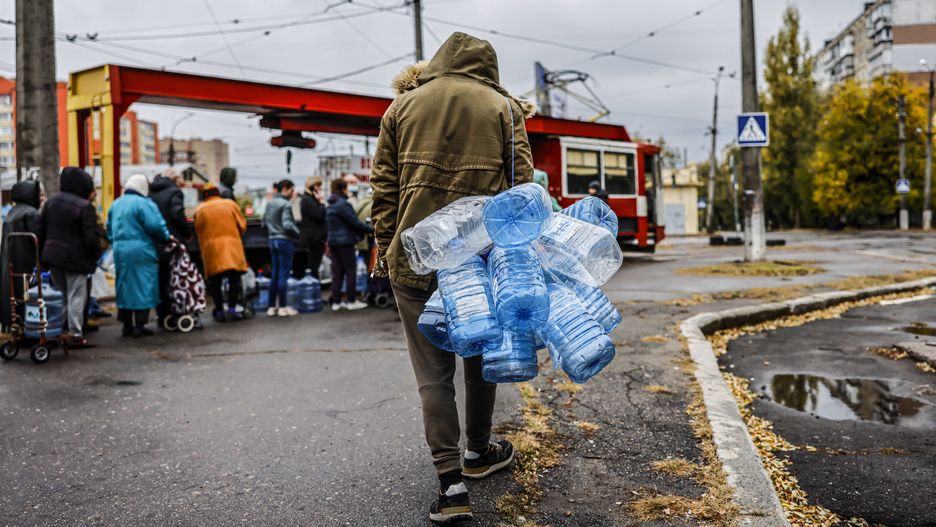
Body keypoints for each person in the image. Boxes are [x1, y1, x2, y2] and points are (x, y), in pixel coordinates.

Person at [370, 32, 534, 524]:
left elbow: (383, 189)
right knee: (480, 355)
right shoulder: (505, 110)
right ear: (489, 67)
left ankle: (451, 485)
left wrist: (386, 245)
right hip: (481, 263)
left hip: (414, 259)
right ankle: (479, 452)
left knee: (431, 374)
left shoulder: (402, 108)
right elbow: (522, 191)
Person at [38, 167, 101, 348]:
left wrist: (42, 257)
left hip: (53, 257)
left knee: (62, 295)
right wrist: (94, 257)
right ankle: (75, 334)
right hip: (75, 259)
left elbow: (41, 231)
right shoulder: (84, 206)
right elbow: (91, 239)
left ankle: (57, 330)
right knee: (76, 296)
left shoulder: (51, 203)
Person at [107, 174, 170, 337]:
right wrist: (166, 238)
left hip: (120, 249)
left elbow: (109, 229)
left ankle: (126, 324)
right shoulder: (144, 204)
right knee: (143, 284)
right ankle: (139, 325)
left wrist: (116, 242)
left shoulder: (116, 204)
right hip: (142, 249)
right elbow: (156, 225)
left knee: (124, 285)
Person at [194, 185, 248, 321]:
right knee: (234, 279)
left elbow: (198, 230)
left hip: (212, 249)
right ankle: (232, 308)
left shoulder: (200, 209)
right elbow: (242, 226)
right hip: (232, 247)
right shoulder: (230, 205)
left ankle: (219, 311)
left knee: (215, 281)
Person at [149, 171, 192, 325]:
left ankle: (163, 314)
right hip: (172, 242)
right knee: (175, 278)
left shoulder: (150, 193)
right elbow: (177, 215)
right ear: (174, 179)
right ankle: (175, 311)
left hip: (155, 242)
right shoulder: (174, 192)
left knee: (160, 279)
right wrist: (187, 232)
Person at [326, 178, 372, 311]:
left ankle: (336, 301)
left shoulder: (331, 203)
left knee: (337, 272)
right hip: (345, 242)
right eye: (347, 187)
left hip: (333, 241)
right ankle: (351, 300)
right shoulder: (343, 204)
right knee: (350, 271)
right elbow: (354, 222)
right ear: (342, 189)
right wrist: (370, 230)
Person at [0, 180, 41, 332]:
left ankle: (13, 324)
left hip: (10, 262)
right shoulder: (30, 213)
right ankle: (30, 326)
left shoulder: (12, 211)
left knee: (12, 295)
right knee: (27, 295)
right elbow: (38, 238)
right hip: (26, 262)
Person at [262, 179, 300, 317]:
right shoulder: (285, 204)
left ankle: (271, 307)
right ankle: (283, 306)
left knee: (275, 275)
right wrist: (298, 233)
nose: (292, 194)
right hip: (285, 241)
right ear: (284, 189)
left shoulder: (269, 203)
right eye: (291, 190)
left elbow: (263, 222)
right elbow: (288, 224)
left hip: (272, 240)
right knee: (284, 275)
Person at [299, 176, 327, 279]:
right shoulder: (307, 200)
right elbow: (319, 215)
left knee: (315, 265)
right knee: (313, 266)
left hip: (317, 238)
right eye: (318, 186)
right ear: (313, 187)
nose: (320, 189)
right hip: (313, 239)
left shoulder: (311, 199)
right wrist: (322, 202)